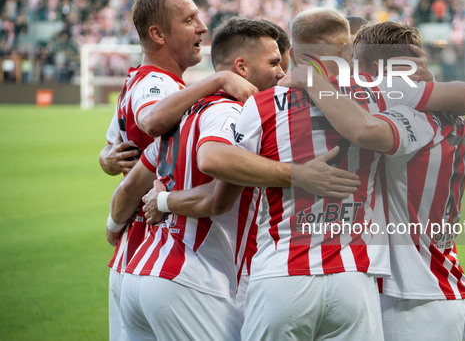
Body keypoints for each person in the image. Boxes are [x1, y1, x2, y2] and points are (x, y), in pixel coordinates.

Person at [236, 9, 465, 341]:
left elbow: (363, 129)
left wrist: (312, 79)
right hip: (444, 283)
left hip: (412, 301)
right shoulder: (449, 117)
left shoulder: (405, 117)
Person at [109, 17, 360, 341]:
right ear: (241, 67)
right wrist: (300, 175)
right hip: (191, 278)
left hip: (138, 275)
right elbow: (214, 178)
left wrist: (117, 225)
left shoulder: (186, 113)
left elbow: (130, 187)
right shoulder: (233, 114)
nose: (281, 72)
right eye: (272, 63)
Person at [99, 0, 257, 341]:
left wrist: (107, 166)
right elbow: (152, 122)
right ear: (157, 34)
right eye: (189, 19)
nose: (203, 27)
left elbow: (113, 153)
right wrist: (216, 80)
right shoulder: (156, 83)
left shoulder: (138, 82)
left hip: (139, 255)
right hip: (165, 247)